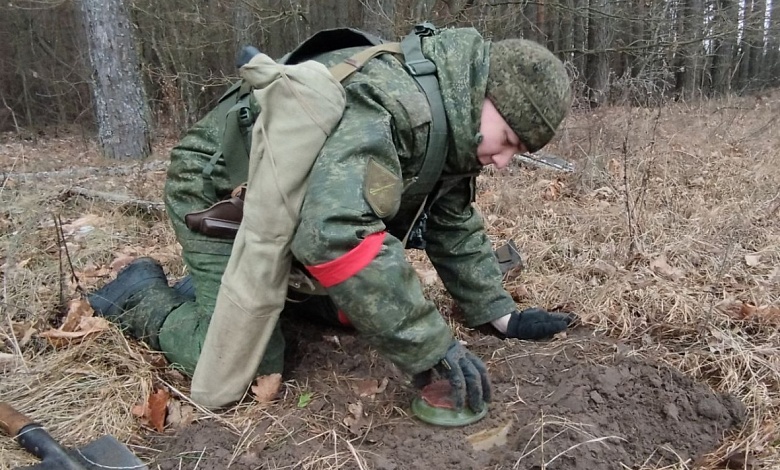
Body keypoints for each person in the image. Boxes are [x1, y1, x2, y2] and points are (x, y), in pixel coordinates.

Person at [88, 26, 573, 414]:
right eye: (507, 138)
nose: (505, 160)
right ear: (483, 94)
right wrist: (429, 347)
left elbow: (450, 217)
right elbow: (335, 234)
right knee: (251, 367)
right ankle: (136, 295)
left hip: (290, 206)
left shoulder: (452, 119)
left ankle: (246, 294)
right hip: (221, 196)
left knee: (357, 309)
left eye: (519, 152)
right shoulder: (398, 105)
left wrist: (498, 311)